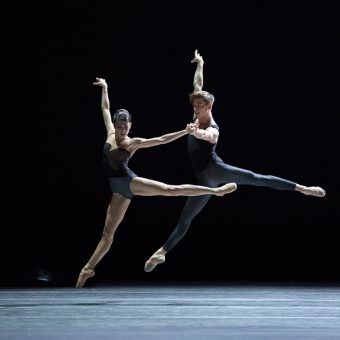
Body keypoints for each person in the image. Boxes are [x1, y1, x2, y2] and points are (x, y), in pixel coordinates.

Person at [144, 50, 326, 272]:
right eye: (195, 105)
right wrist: (200, 63)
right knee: (185, 218)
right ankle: (161, 253)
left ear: (209, 107)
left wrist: (195, 133)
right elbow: (198, 84)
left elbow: (207, 137)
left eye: (199, 105)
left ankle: (303, 188)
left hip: (215, 170)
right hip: (204, 180)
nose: (196, 107)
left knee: (257, 178)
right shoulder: (196, 115)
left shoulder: (212, 128)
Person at [75, 77, 237, 288]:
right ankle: (88, 269)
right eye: (120, 126)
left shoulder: (134, 142)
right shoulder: (110, 133)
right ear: (115, 125)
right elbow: (105, 108)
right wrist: (105, 87)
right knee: (107, 234)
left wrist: (185, 131)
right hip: (117, 191)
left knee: (170, 190)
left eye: (126, 126)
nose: (123, 130)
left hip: (129, 182)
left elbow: (162, 140)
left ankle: (216, 192)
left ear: (130, 126)